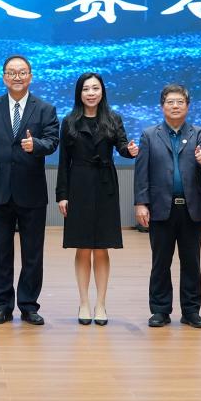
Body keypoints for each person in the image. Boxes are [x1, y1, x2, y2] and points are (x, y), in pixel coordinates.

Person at [0, 55, 59, 326]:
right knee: (0, 252)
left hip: (31, 190)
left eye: (22, 72)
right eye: (12, 72)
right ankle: (2, 306)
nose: (17, 77)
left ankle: (28, 305)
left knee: (32, 253)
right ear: (4, 77)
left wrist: (36, 145)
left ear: (30, 77)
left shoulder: (45, 109)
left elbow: (52, 142)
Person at [55, 72, 137, 326]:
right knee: (82, 247)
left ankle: (100, 304)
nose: (91, 93)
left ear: (102, 91)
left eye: (95, 88)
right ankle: (83, 303)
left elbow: (122, 146)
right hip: (78, 186)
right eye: (86, 89)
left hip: (105, 186)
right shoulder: (69, 121)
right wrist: (62, 195)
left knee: (102, 247)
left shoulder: (113, 118)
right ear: (79, 93)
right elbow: (63, 162)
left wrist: (130, 151)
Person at [133, 84, 201, 329]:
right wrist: (141, 203)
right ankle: (160, 310)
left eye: (180, 102)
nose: (175, 106)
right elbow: (141, 172)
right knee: (161, 262)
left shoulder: (200, 134)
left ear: (188, 106)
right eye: (170, 102)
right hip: (160, 208)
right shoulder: (149, 135)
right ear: (162, 106)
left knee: (191, 263)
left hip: (190, 209)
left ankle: (191, 311)